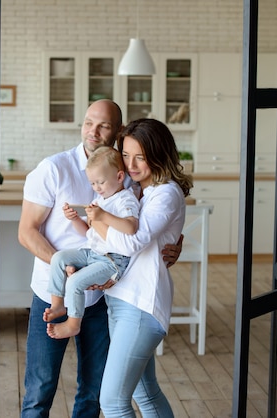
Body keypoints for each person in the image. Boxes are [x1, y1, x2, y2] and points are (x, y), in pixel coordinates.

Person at [18, 99, 183, 418]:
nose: (94, 131)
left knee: (93, 393)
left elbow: (153, 219)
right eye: (89, 122)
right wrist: (65, 268)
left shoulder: (129, 175)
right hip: (54, 293)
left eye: (104, 125)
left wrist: (175, 241)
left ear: (118, 131)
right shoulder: (54, 169)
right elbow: (26, 232)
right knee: (40, 389)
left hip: (105, 295)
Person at [95, 118, 193, 417]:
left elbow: (130, 243)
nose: (132, 164)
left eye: (141, 156)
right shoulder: (139, 189)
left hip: (141, 304)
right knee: (146, 394)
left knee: (112, 402)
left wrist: (95, 221)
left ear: (159, 153)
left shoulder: (165, 193)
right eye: (126, 155)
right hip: (123, 300)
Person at [44, 146, 139, 339]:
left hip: (111, 261)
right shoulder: (100, 199)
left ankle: (73, 324)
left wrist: (102, 215)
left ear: (120, 177)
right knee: (59, 257)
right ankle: (58, 304)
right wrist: (74, 219)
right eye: (92, 183)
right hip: (92, 252)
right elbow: (89, 232)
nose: (96, 188)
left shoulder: (125, 200)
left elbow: (131, 227)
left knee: (76, 282)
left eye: (100, 182)